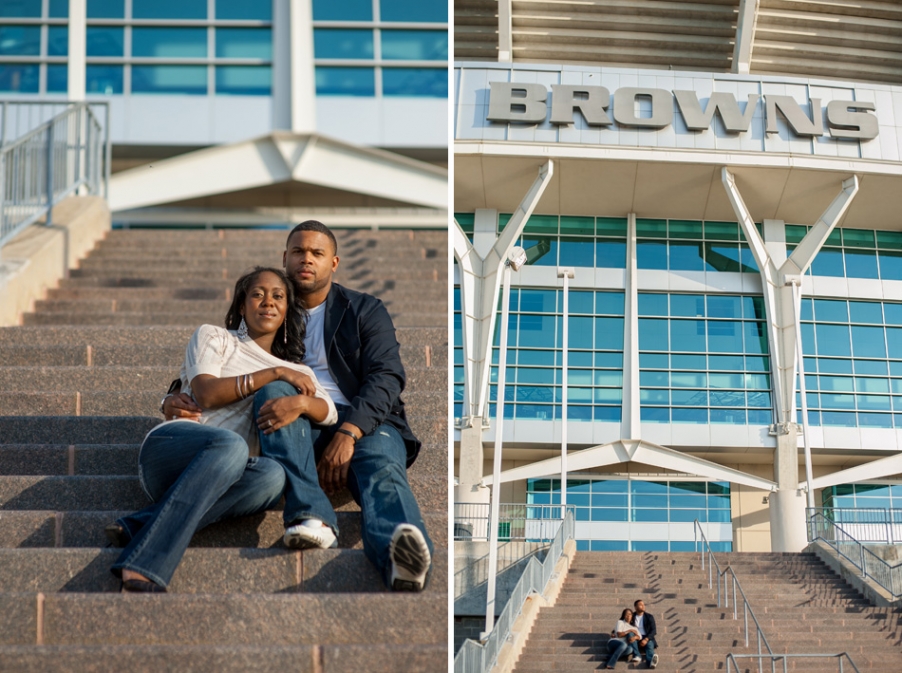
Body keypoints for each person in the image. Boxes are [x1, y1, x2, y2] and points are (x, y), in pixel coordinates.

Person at [164, 220, 433, 591]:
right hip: (291, 422)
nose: (306, 259)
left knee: (382, 469)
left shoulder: (364, 310)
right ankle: (313, 516)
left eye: (317, 253)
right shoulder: (268, 309)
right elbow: (227, 357)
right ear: (285, 258)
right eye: (298, 252)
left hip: (363, 422)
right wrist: (173, 396)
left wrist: (349, 432)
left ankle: (400, 554)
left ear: (334, 263)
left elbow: (387, 377)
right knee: (277, 393)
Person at [108, 267, 337, 592]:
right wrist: (273, 373)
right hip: (172, 452)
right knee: (231, 445)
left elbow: (328, 412)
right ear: (241, 306)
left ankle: (141, 523)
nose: (268, 302)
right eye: (257, 294)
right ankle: (144, 562)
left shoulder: (298, 371)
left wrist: (300, 404)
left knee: (273, 475)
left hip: (224, 478)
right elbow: (206, 393)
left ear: (287, 310)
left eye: (278, 296)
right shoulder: (215, 337)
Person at [631, 599, 659, 669]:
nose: (643, 606)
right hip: (636, 637)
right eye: (640, 605)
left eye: (644, 605)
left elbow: (653, 630)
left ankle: (651, 662)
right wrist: (613, 632)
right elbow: (622, 624)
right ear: (635, 607)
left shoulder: (649, 617)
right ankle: (638, 655)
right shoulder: (631, 616)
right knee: (632, 640)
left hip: (646, 637)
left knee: (649, 646)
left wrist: (646, 639)